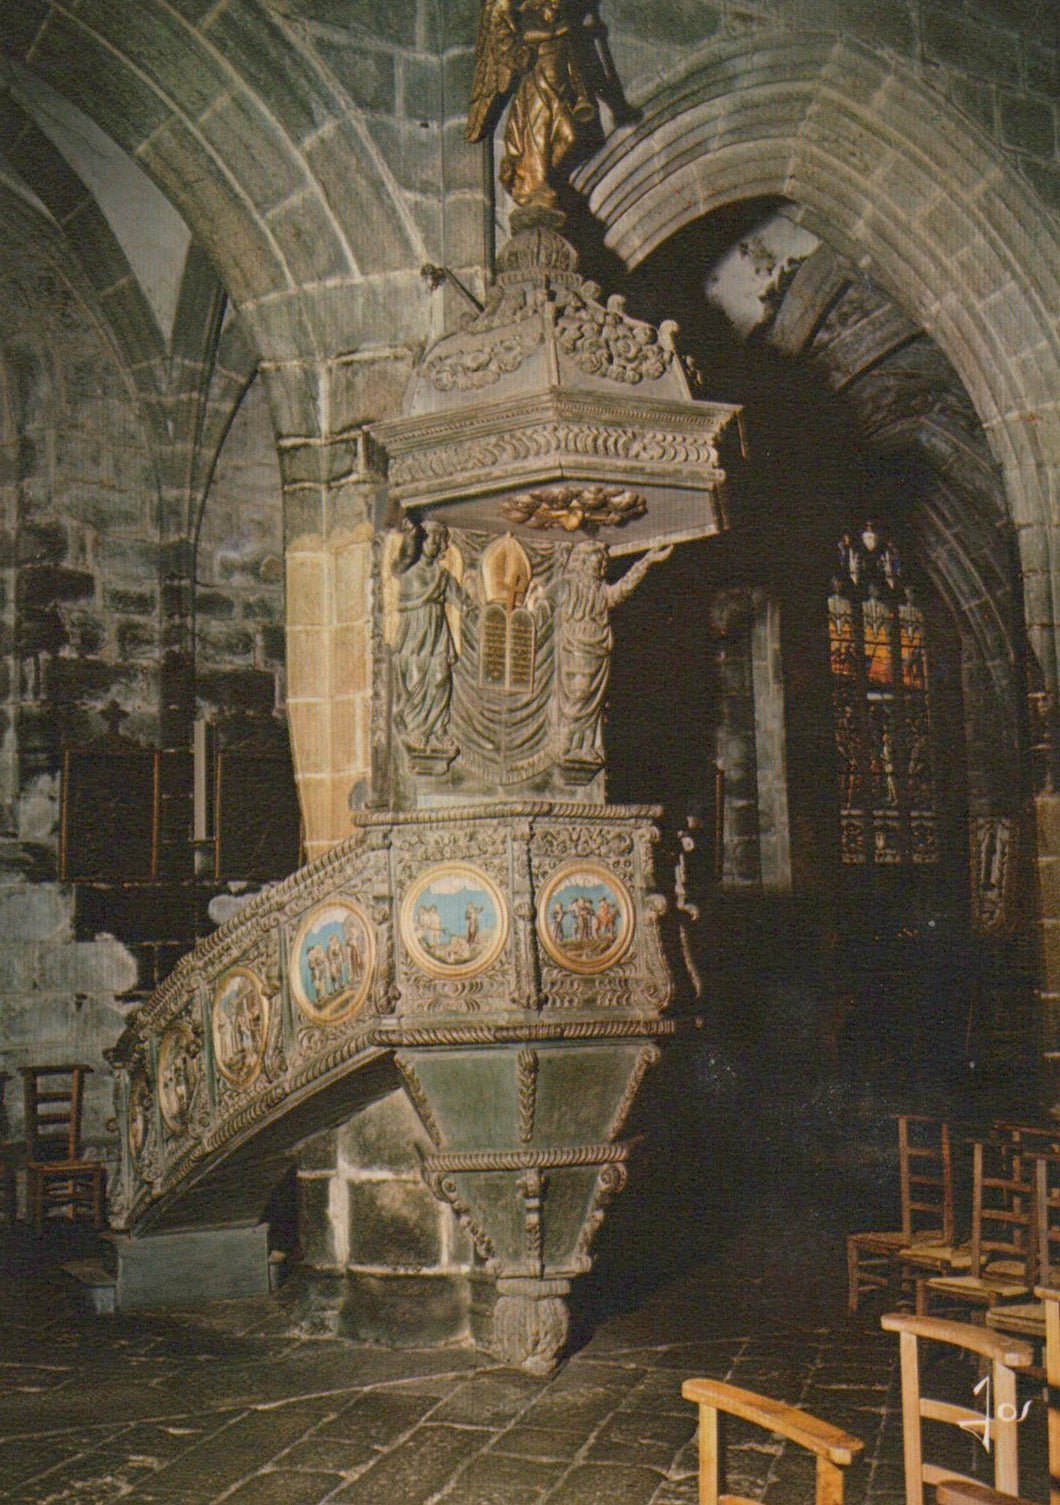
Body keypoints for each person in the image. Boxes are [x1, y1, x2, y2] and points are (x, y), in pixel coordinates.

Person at [552, 539, 672, 766]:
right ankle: (566, 744)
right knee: (578, 695)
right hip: (576, 649)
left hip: (597, 652)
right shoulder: (568, 585)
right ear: (584, 562)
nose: (602, 568)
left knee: (593, 702)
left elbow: (622, 589)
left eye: (603, 565)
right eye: (598, 564)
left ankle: (585, 746)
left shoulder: (599, 589)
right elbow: (548, 602)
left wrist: (646, 562)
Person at [391, 520, 470, 755]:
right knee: (416, 680)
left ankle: (437, 730)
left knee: (440, 678)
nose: (435, 542)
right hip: (414, 634)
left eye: (439, 537)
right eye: (430, 537)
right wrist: (409, 537)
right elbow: (404, 556)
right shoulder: (405, 569)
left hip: (437, 631)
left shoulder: (442, 575)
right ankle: (417, 729)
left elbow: (462, 601)